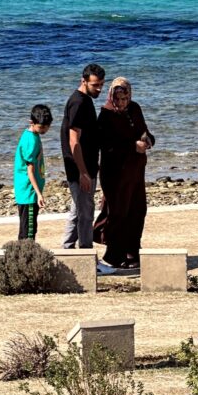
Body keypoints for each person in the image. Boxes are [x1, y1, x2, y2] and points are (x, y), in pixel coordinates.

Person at [94, 77, 155, 269]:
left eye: (124, 99)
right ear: (112, 96)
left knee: (138, 210)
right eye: (118, 99)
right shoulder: (106, 114)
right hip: (115, 173)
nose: (121, 103)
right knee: (118, 212)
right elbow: (106, 145)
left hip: (136, 170)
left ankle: (132, 252)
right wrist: (132, 146)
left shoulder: (135, 109)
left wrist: (149, 140)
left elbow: (144, 131)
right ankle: (113, 255)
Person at [60, 64, 109, 272]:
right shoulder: (78, 103)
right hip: (80, 170)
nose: (99, 89)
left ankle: (67, 251)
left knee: (77, 210)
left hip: (87, 166)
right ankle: (88, 260)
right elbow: (74, 141)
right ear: (84, 81)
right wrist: (83, 172)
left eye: (101, 85)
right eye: (95, 85)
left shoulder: (85, 100)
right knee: (86, 213)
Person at [13, 104, 53, 240]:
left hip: (27, 191)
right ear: (32, 122)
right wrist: (39, 194)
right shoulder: (31, 141)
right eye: (41, 127)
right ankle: (25, 260)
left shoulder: (32, 135)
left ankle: (23, 258)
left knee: (28, 228)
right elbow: (30, 171)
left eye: (47, 126)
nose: (45, 130)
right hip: (28, 192)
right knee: (28, 232)